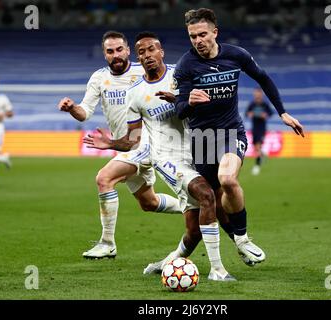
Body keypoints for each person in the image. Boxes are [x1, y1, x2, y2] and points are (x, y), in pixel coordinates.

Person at [84, 31, 235, 281]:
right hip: (158, 153)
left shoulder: (180, 74)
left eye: (151, 50)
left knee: (191, 220)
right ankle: (219, 267)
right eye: (142, 52)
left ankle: (171, 261)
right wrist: (109, 142)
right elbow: (129, 136)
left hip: (194, 150)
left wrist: (182, 101)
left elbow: (205, 103)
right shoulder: (128, 89)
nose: (147, 55)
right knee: (188, 198)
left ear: (161, 51)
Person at [174, 8, 305, 266]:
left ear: (215, 32)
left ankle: (243, 239)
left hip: (230, 131)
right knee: (215, 205)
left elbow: (263, 78)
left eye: (202, 34)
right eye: (192, 36)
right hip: (202, 139)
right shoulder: (185, 65)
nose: (198, 41)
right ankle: (236, 243)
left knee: (227, 179)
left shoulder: (236, 55)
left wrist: (283, 112)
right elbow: (180, 112)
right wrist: (189, 102)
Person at [58, 31, 182, 259]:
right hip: (125, 146)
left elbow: (170, 76)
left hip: (146, 141)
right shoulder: (99, 78)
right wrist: (72, 107)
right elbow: (84, 113)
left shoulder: (143, 69)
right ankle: (193, 208)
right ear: (104, 54)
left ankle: (107, 243)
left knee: (104, 178)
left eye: (119, 50)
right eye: (109, 51)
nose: (115, 55)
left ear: (127, 51)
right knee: (149, 202)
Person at [246, 88, 273, 175]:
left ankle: (257, 166)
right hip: (254, 127)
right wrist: (250, 114)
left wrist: (265, 115)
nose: (257, 95)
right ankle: (262, 154)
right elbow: (247, 113)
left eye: (258, 93)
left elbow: (270, 113)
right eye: (256, 93)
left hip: (262, 128)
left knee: (258, 146)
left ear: (261, 94)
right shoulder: (252, 104)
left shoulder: (265, 104)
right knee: (256, 147)